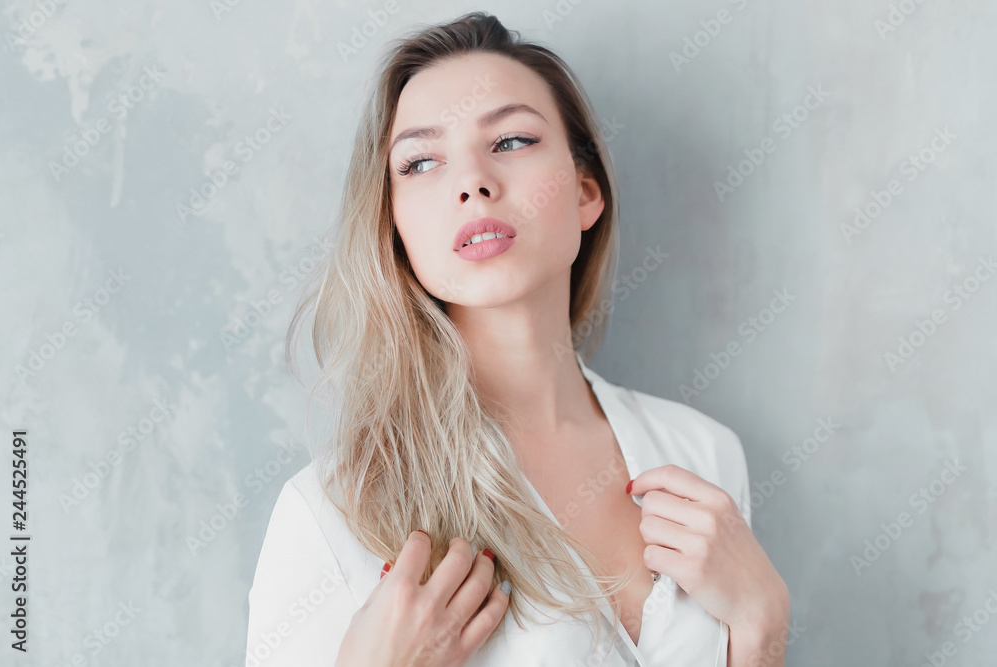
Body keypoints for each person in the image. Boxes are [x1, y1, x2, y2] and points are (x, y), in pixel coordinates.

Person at [246, 11, 789, 667]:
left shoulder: (704, 455)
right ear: (396, 231)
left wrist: (762, 631)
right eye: (420, 162)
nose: (472, 183)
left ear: (587, 193)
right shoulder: (332, 511)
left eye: (509, 142)